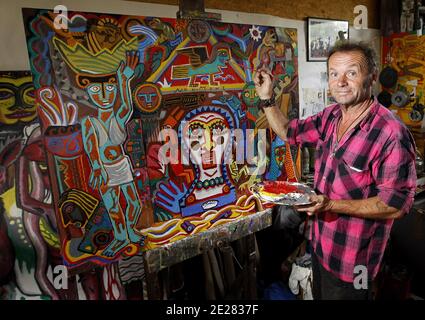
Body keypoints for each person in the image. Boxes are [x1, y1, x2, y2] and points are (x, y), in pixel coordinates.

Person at [253, 42, 417, 300]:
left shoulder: (391, 134)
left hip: (355, 264)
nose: (341, 81)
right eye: (333, 73)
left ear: (372, 77)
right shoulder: (330, 117)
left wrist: (330, 205)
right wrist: (267, 97)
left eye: (351, 73)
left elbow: (395, 205)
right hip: (320, 248)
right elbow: (288, 131)